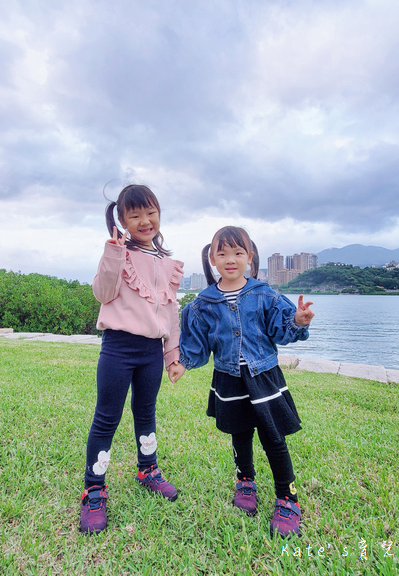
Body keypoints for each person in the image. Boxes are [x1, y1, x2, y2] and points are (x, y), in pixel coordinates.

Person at [171, 226, 314, 538]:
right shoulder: (202, 304)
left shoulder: (264, 294)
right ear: (212, 259)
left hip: (263, 377)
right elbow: (197, 345)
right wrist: (183, 362)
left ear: (250, 257)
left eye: (237, 252)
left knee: (274, 437)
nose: (230, 259)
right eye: (222, 253)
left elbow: (282, 328)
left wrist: (298, 320)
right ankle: (245, 482)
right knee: (240, 434)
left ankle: (287, 497)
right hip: (229, 378)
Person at [80, 184, 185, 534]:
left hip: (150, 353)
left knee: (146, 413)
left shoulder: (167, 263)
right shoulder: (117, 253)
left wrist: (172, 355)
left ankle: (148, 470)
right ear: (123, 220)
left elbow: (170, 313)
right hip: (118, 348)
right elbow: (102, 292)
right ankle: (94, 489)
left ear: (159, 214)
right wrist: (113, 251)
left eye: (150, 212)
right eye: (135, 215)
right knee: (106, 418)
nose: (145, 220)